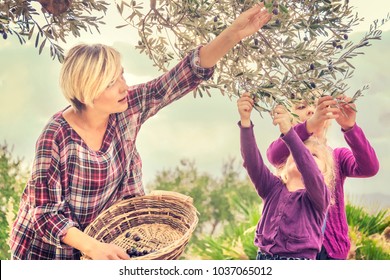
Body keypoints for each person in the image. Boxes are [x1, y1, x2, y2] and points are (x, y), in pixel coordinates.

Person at [9, 4, 272, 260]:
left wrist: (233, 34)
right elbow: (44, 213)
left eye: (122, 75)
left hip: (102, 246)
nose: (124, 87)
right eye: (112, 83)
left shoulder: (126, 108)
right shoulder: (55, 136)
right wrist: (93, 247)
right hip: (48, 254)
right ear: (89, 92)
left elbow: (178, 79)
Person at [266, 95, 380, 260]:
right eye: (301, 107)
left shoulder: (338, 157)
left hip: (330, 251)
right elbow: (273, 156)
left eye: (317, 105)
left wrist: (350, 127)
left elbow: (369, 168)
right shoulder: (287, 153)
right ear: (291, 122)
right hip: (290, 249)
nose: (311, 110)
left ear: (329, 119)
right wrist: (308, 126)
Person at [237, 92, 335, 260]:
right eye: (299, 153)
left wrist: (290, 133)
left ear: (324, 175)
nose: (306, 156)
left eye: (315, 156)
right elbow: (252, 161)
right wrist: (245, 122)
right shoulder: (272, 188)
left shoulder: (319, 197)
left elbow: (309, 170)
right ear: (284, 165)